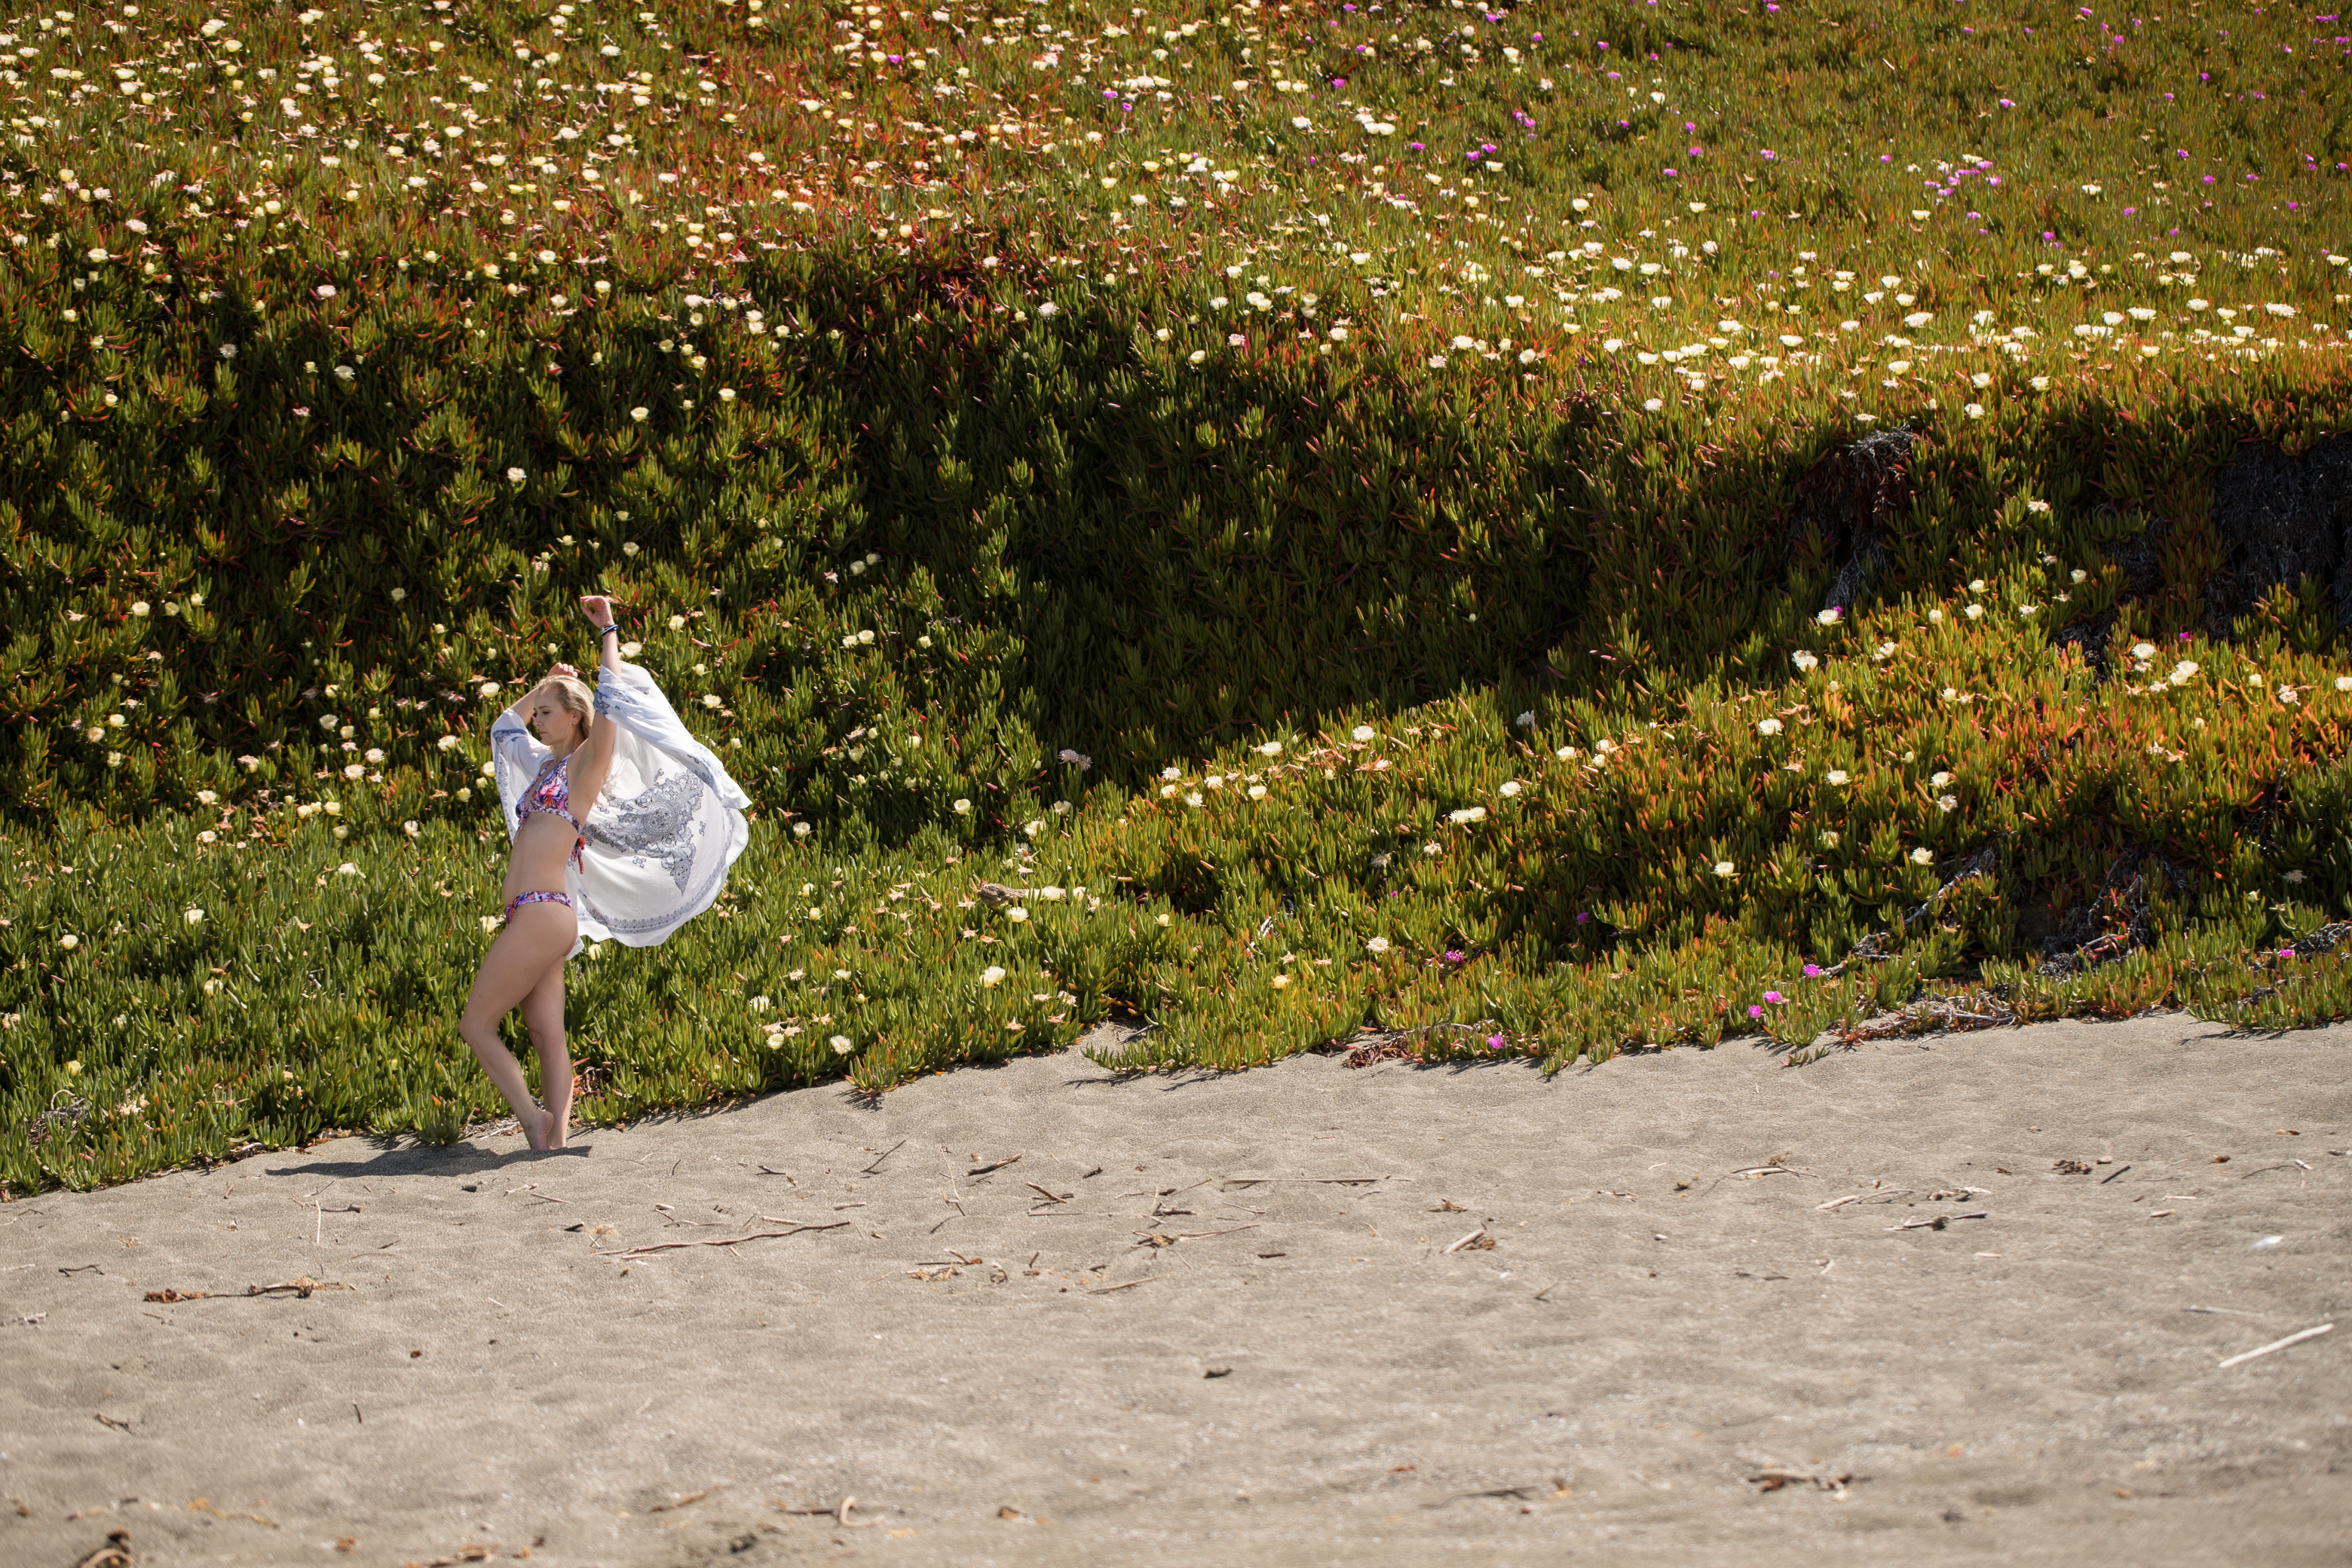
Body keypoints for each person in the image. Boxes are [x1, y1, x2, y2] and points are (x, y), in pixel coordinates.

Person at [462, 593, 752, 1150]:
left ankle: (532, 1118)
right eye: (538, 712)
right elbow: (503, 730)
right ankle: (556, 1144)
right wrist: (543, 685)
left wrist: (608, 633)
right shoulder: (539, 765)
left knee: (476, 1025)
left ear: (576, 717)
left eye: (548, 712)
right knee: (547, 1033)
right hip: (529, 913)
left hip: (544, 915)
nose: (537, 720)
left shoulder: (583, 768)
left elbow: (613, 703)